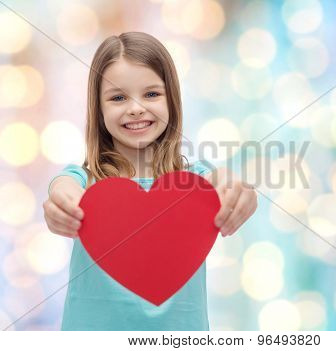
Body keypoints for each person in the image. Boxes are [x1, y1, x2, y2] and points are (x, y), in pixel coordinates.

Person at [43, 32, 257, 331]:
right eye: (118, 97)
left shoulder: (193, 182)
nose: (135, 108)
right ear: (99, 108)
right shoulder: (86, 182)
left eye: (152, 94)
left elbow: (224, 182)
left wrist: (239, 190)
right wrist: (62, 204)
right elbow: (62, 188)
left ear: (172, 100)